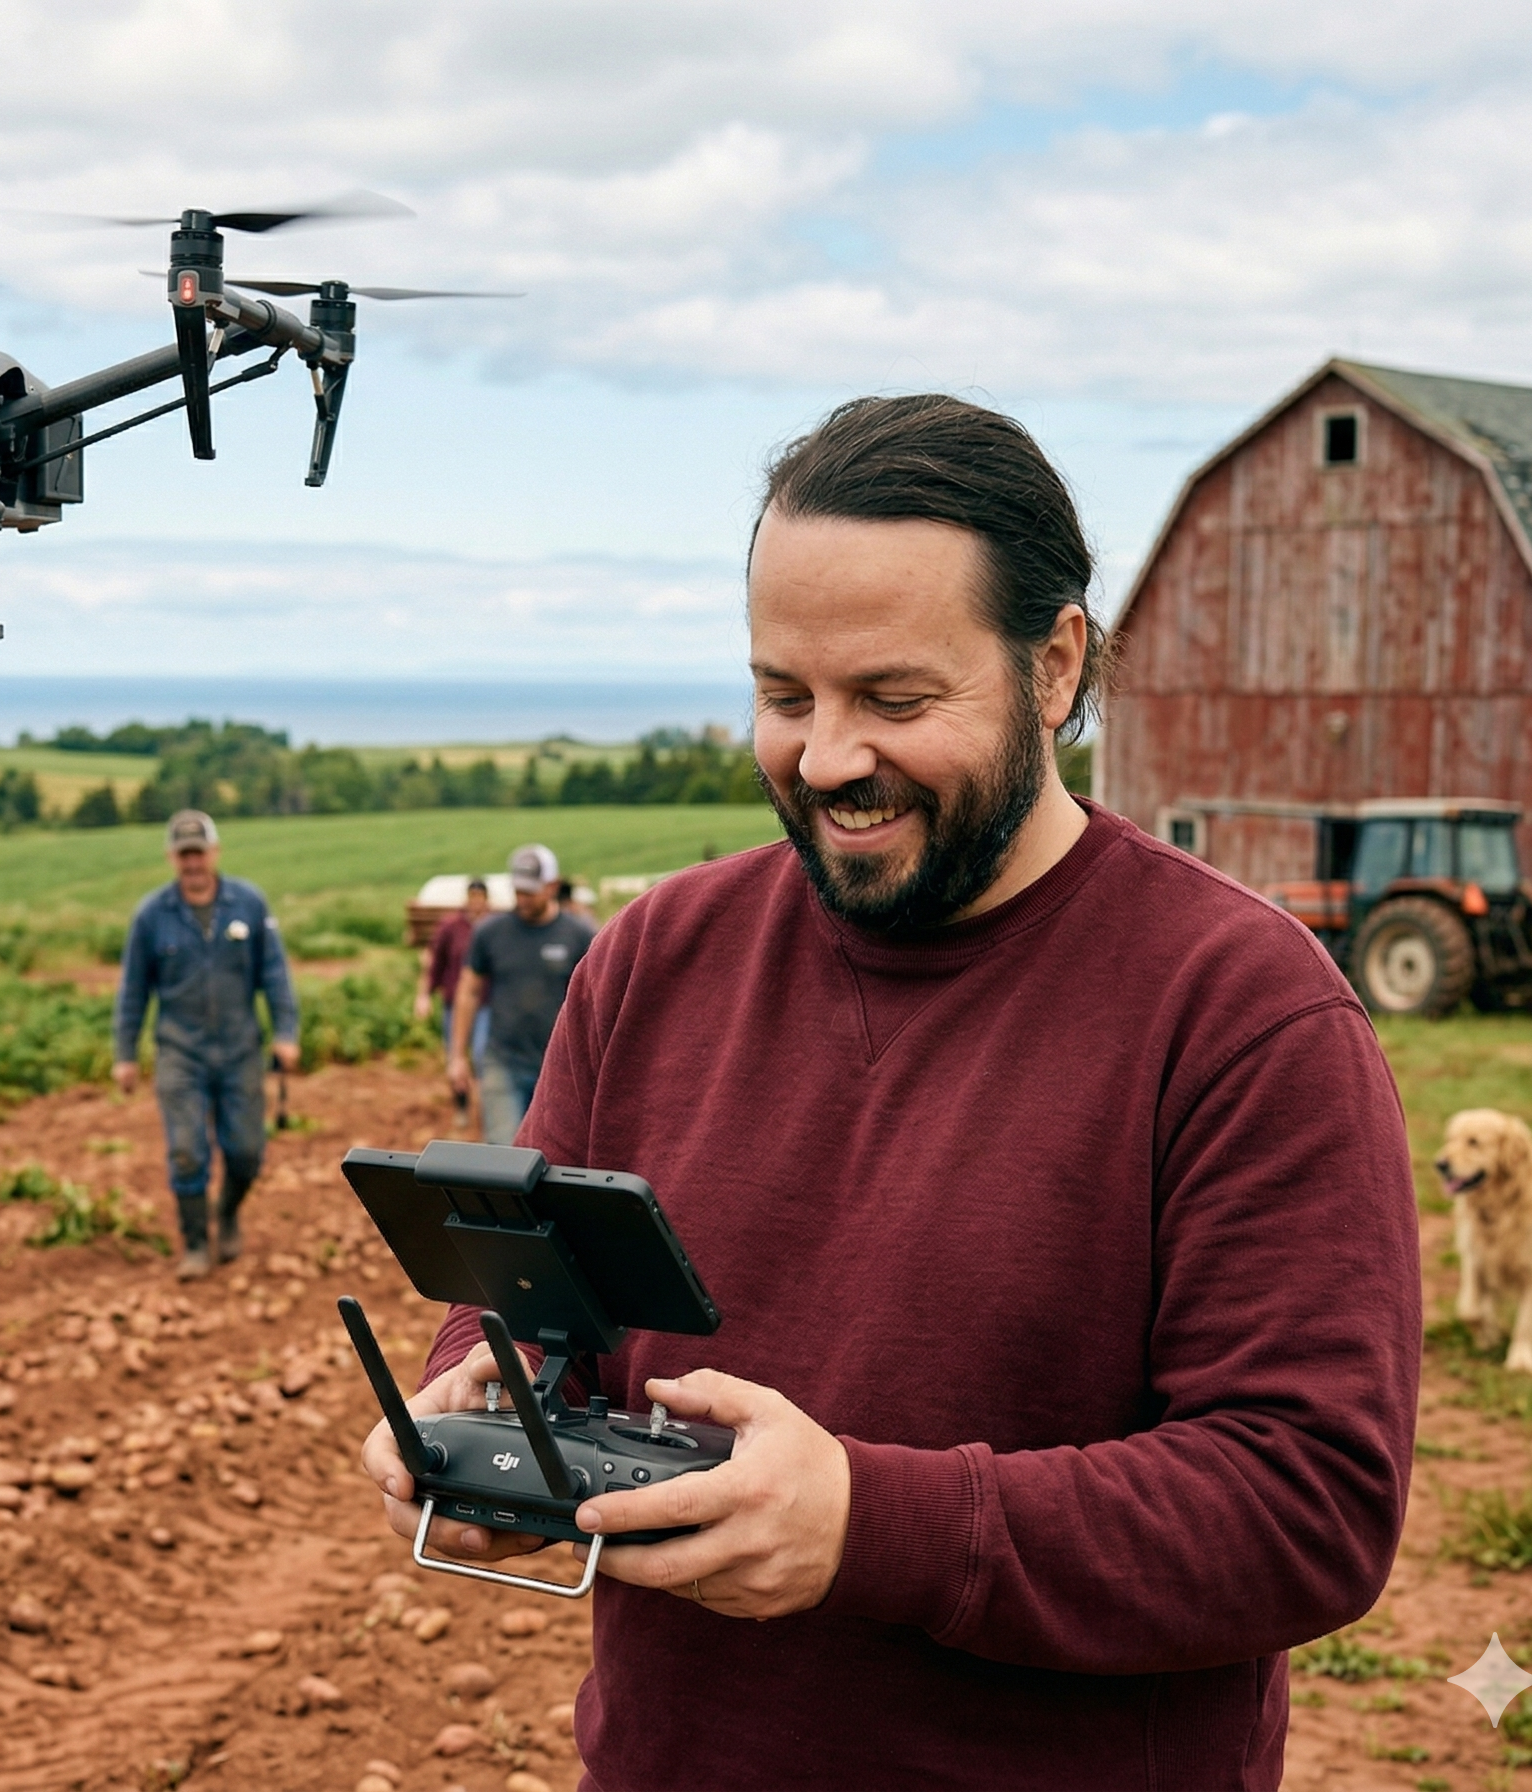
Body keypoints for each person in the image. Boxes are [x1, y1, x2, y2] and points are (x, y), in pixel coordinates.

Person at [362, 395, 1421, 1787]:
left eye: (894, 700)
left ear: (1053, 667)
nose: (826, 759)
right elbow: (536, 1298)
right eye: (784, 696)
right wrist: (485, 1397)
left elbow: (1307, 1505)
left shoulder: (1240, 1010)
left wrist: (874, 1524)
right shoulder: (657, 960)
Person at [112, 810, 299, 1280]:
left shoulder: (248, 904)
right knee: (187, 1150)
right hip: (180, 1053)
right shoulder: (152, 915)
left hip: (240, 1051)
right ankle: (196, 1243)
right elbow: (133, 989)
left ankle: (228, 1211)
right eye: (183, 854)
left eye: (199, 852)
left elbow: (274, 975)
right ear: (172, 858)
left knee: (246, 1151)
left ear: (214, 853)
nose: (192, 862)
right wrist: (125, 1054)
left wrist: (286, 1032)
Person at [447, 844, 595, 1146]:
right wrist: (457, 1055)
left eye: (530, 891)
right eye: (518, 890)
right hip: (503, 1060)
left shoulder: (579, 936)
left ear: (552, 886)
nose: (522, 899)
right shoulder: (490, 933)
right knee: (504, 1155)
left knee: (551, 1156)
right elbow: (469, 992)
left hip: (558, 1069)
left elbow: (594, 1002)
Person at [414, 877, 491, 1117]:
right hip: (453, 1004)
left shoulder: (492, 929)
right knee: (454, 1055)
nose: (476, 902)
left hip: (484, 1003)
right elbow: (436, 963)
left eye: (480, 897)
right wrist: (424, 995)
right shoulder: (451, 927)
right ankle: (461, 1104)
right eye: (472, 897)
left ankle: (485, 1100)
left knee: (480, 1053)